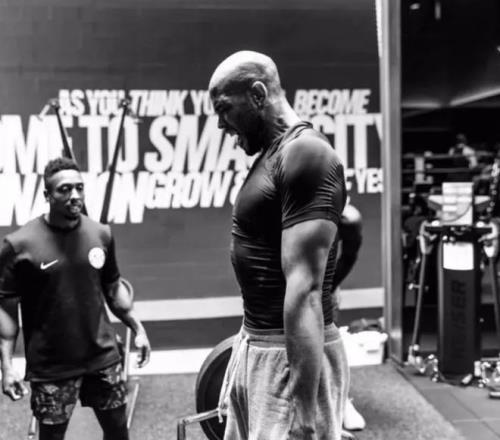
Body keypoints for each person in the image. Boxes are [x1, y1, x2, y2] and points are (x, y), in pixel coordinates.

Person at [209, 51, 349, 440]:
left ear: (258, 94)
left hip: (286, 358)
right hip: (259, 344)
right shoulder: (276, 154)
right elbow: (348, 221)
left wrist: (305, 413)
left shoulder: (306, 153)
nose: (220, 123)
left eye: (224, 109)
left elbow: (305, 291)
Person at [0, 157, 151, 440]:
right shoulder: (19, 245)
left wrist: (137, 328)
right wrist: (6, 367)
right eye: (64, 189)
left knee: (118, 431)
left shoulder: (101, 234)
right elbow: (7, 310)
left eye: (79, 188)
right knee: (52, 436)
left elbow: (113, 288)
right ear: (47, 194)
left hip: (102, 356)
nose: (74, 195)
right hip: (52, 366)